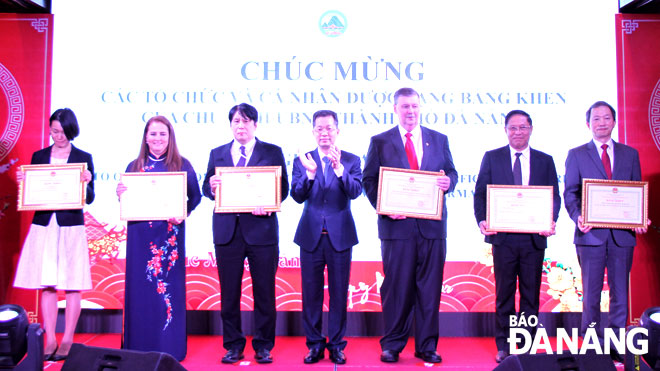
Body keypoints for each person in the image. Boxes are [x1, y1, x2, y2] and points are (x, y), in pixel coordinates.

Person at [363, 87, 458, 364]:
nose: (411, 112)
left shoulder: (438, 140)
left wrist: (448, 182)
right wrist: (384, 207)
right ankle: (392, 344)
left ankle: (427, 345)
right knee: (397, 288)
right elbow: (369, 181)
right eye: (405, 107)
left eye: (415, 106)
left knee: (430, 289)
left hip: (432, 228)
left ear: (421, 107)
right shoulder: (380, 141)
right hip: (396, 229)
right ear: (395, 109)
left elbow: (451, 172)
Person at [202, 103, 289, 364]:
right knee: (229, 293)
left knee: (264, 291)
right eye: (236, 122)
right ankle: (233, 345)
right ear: (231, 125)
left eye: (246, 122)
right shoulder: (217, 153)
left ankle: (263, 345)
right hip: (227, 233)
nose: (241, 126)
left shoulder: (272, 152)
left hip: (262, 232)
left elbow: (282, 189)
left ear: (255, 125)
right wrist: (211, 186)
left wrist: (270, 201)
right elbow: (207, 188)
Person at [564, 101, 650, 361]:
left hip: (622, 237)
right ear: (588, 124)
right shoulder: (577, 154)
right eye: (596, 119)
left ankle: (615, 347)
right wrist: (579, 217)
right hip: (590, 236)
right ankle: (592, 348)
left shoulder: (630, 154)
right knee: (590, 295)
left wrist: (639, 218)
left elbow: (635, 191)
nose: (602, 122)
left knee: (620, 294)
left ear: (614, 122)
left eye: (606, 118)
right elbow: (570, 193)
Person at [473, 110, 561, 363]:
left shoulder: (545, 160)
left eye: (523, 127)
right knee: (504, 294)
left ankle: (526, 344)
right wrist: (482, 221)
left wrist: (550, 220)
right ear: (505, 130)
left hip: (534, 238)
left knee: (531, 295)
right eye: (513, 128)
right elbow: (480, 194)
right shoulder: (492, 157)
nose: (518, 132)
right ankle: (505, 344)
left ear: (531, 129)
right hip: (503, 238)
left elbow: (554, 196)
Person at [116, 116, 201, 361]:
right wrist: (120, 193)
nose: (157, 139)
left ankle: (169, 347)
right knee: (140, 290)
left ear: (170, 137)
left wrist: (182, 214)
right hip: (139, 238)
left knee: (167, 292)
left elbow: (194, 198)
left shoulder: (182, 164)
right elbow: (128, 200)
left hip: (167, 240)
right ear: (145, 137)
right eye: (153, 134)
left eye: (163, 134)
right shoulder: (135, 165)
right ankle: (138, 348)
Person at [13, 108, 94, 362]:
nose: (57, 136)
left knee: (72, 284)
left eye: (61, 131)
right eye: (53, 131)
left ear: (71, 130)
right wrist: (23, 183)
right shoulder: (39, 156)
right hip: (45, 225)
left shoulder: (83, 157)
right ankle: (50, 338)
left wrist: (87, 181)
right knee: (46, 283)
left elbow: (89, 198)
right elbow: (32, 194)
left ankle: (68, 338)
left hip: (70, 225)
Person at [290, 110, 362, 364]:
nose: (324, 133)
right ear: (313, 132)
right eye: (319, 129)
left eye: (329, 128)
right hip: (310, 236)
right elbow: (296, 196)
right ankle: (314, 344)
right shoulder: (302, 160)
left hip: (340, 236)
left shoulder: (351, 160)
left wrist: (340, 170)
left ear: (337, 131)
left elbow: (355, 192)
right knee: (311, 294)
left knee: (339, 294)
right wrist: (309, 174)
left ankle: (337, 345)